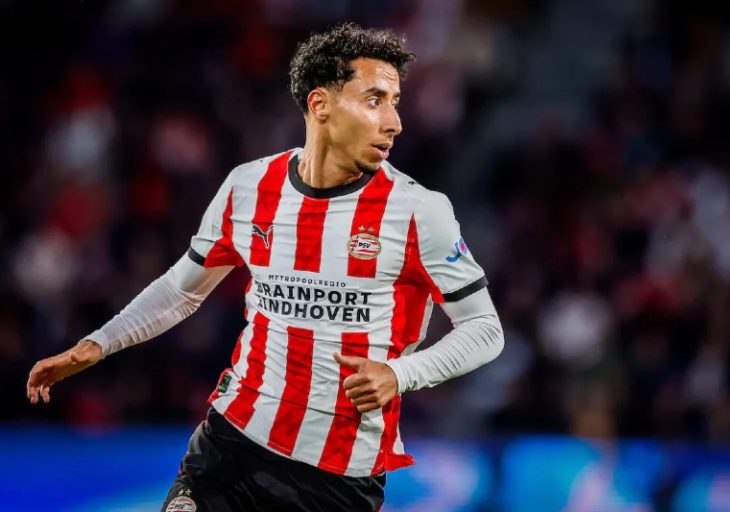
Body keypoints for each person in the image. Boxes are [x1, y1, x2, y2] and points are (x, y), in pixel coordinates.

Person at [27, 22, 504, 512]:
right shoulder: (249, 186)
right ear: (320, 104)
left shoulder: (419, 211)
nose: (394, 122)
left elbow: (485, 330)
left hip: (337, 477)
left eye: (395, 102)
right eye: (375, 100)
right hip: (230, 445)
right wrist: (98, 344)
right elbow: (183, 289)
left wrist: (400, 373)